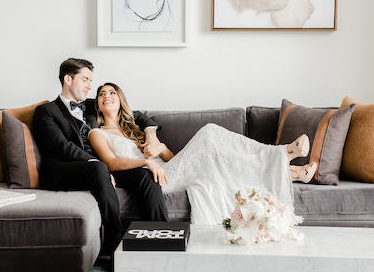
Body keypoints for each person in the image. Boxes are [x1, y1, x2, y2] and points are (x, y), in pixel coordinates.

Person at [88, 82, 318, 225]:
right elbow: (112, 162)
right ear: (98, 104)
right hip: (155, 179)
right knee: (209, 134)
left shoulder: (136, 131)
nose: (106, 96)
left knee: (222, 162)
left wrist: (162, 149)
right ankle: (283, 153)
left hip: (169, 169)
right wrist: (146, 164)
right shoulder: (97, 134)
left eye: (112, 93)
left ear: (120, 101)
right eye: (101, 94)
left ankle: (293, 171)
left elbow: (172, 159)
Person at [32, 59, 168, 255]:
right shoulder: (46, 111)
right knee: (98, 168)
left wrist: (151, 134)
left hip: (106, 166)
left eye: (90, 81)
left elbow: (136, 115)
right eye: (85, 80)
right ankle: (114, 243)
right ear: (68, 79)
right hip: (67, 170)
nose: (90, 86)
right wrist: (97, 163)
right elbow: (60, 147)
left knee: (145, 175)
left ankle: (160, 237)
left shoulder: (91, 105)